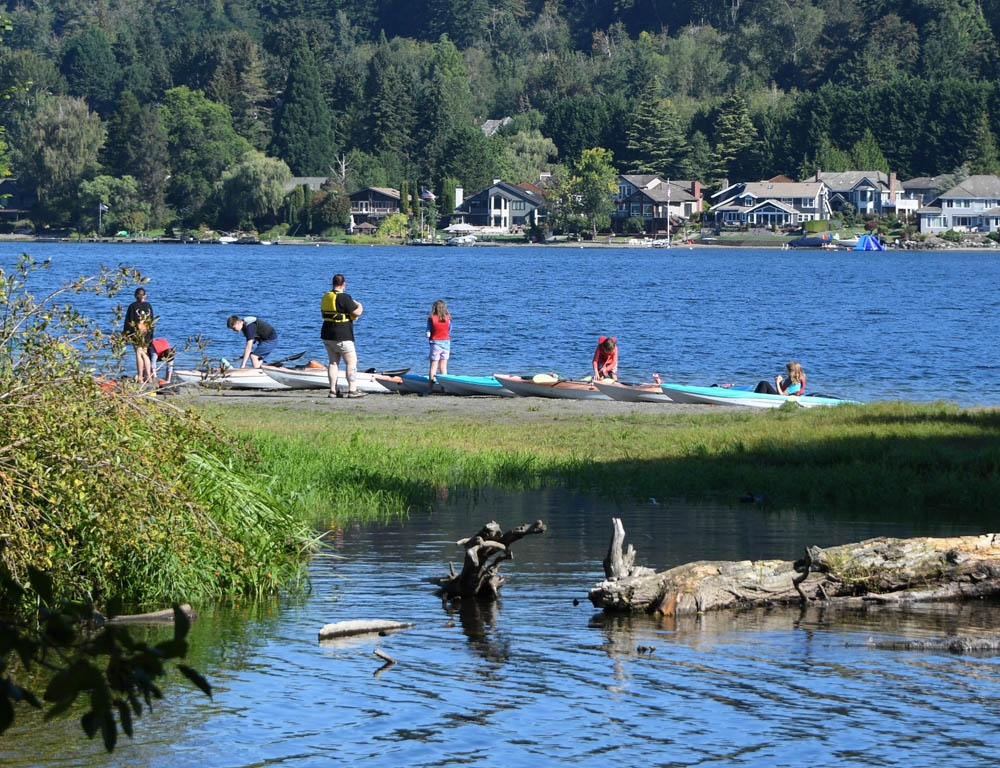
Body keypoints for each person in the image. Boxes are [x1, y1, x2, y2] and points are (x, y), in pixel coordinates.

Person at [320, 273, 365, 398]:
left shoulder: (326, 296)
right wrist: (359, 305)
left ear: (333, 283)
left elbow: (323, 313)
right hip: (342, 334)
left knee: (333, 362)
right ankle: (352, 390)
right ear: (344, 284)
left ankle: (332, 390)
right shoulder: (344, 297)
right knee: (351, 362)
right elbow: (357, 312)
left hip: (327, 334)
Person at [123, 287, 154, 383]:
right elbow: (152, 321)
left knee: (138, 353)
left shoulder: (132, 306)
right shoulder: (149, 306)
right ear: (145, 296)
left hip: (137, 333)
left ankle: (140, 377)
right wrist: (151, 335)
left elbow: (128, 322)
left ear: (135, 296)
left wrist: (126, 334)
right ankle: (148, 376)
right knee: (145, 353)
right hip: (147, 332)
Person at [426, 299, 451, 393]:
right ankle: (444, 388)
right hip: (446, 344)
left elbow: (428, 333)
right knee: (443, 367)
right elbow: (449, 330)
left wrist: (429, 334)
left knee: (433, 367)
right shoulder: (448, 318)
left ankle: (430, 388)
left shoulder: (431, 319)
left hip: (435, 344)